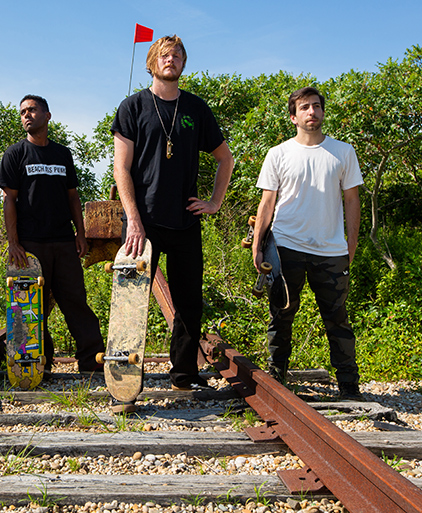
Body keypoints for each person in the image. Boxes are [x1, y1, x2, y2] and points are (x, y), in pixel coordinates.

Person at [111, 35, 234, 392]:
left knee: (189, 301)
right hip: (142, 222)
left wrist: (215, 202)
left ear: (183, 63)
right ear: (152, 62)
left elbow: (224, 158)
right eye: (165, 54)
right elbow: (121, 169)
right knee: (130, 303)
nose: (172, 59)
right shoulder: (132, 107)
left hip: (184, 220)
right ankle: (123, 379)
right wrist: (133, 219)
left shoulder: (196, 109)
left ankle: (183, 375)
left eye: (178, 54)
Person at [252, 86, 363, 401]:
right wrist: (259, 245)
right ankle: (277, 381)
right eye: (304, 108)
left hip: (331, 251)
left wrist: (350, 244)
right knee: (281, 315)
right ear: (293, 116)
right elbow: (267, 203)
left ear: (323, 112)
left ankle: (349, 388)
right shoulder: (279, 153)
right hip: (286, 247)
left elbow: (352, 200)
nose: (312, 112)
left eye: (316, 106)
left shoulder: (343, 152)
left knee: (337, 319)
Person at [0, 95, 105, 378]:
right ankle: (35, 365)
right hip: (31, 245)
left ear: (47, 116)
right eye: (22, 112)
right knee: (32, 307)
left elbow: (73, 196)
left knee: (75, 301)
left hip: (63, 242)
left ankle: (91, 361)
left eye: (32, 110)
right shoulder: (15, 154)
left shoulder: (62, 155)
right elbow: (10, 200)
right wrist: (14, 243)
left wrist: (80, 234)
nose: (26, 115)